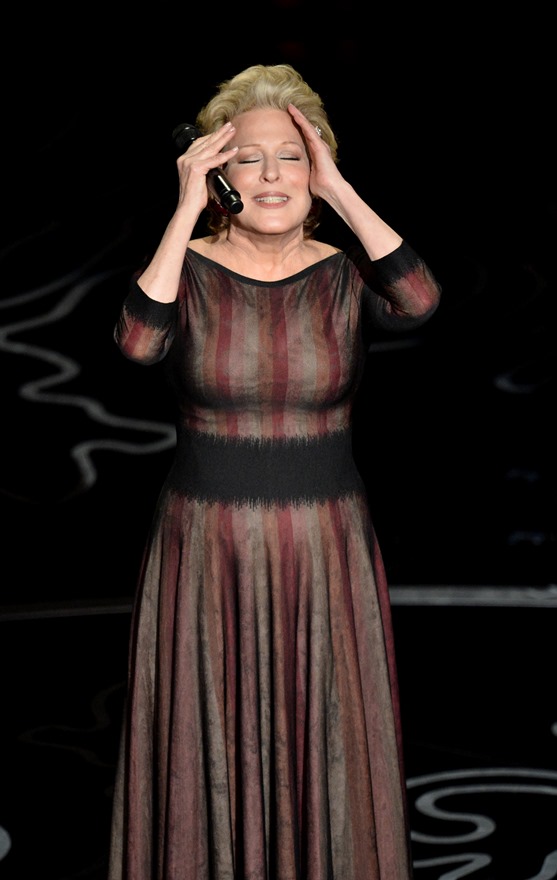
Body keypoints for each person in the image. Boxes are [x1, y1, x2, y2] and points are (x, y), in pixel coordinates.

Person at [108, 62, 441, 880]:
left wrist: (338, 185)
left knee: (325, 744)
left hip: (324, 549)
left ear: (315, 170)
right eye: (247, 160)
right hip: (205, 550)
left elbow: (420, 299)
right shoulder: (184, 269)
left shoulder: (343, 273)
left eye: (289, 157)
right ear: (218, 177)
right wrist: (184, 209)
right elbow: (138, 344)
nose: (269, 176)